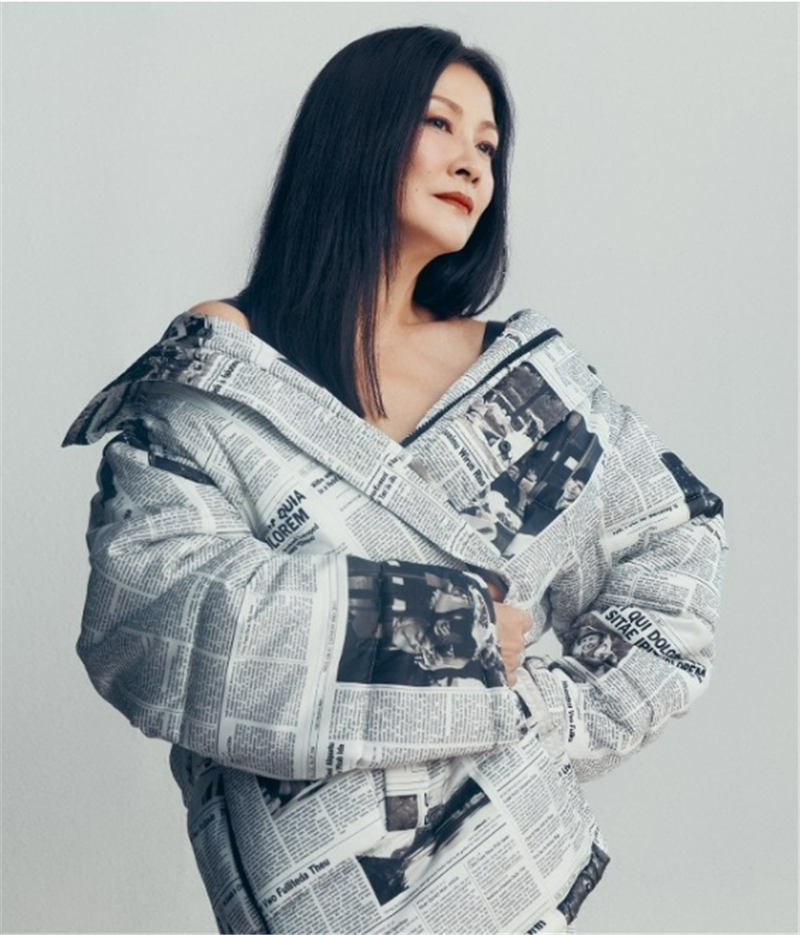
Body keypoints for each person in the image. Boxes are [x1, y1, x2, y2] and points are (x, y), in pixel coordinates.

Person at [62, 25, 727, 935]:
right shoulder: (225, 369)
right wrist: (452, 633)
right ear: (359, 132)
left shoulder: (529, 376)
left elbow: (676, 542)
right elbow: (148, 615)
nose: (472, 162)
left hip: (511, 891)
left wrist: (550, 712)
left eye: (488, 144)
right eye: (440, 124)